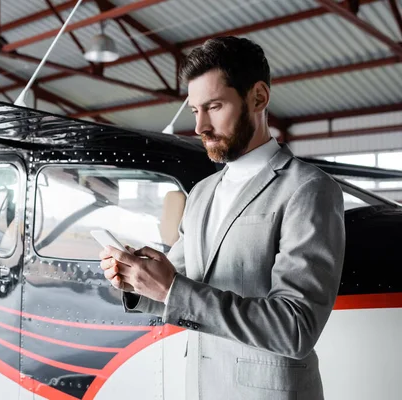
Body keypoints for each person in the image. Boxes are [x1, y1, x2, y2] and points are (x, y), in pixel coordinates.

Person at [99, 36, 345, 400]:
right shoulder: (201, 193)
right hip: (202, 388)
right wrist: (134, 280)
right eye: (195, 111)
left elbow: (295, 328)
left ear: (258, 97)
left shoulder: (309, 189)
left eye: (214, 106)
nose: (199, 127)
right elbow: (182, 284)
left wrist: (170, 289)